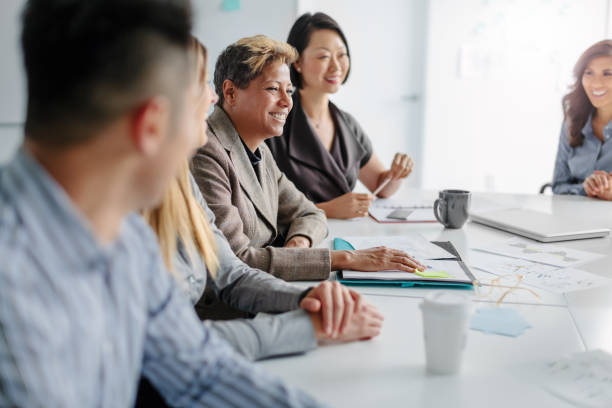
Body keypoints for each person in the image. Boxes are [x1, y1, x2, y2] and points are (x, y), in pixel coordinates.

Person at [0, 1, 323, 406]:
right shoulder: (13, 281)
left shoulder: (129, 241)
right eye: (194, 119)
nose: (200, 139)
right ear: (151, 127)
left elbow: (200, 373)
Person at [135, 36, 382, 407]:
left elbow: (233, 270)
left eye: (288, 91)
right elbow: (176, 345)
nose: (211, 97)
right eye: (201, 86)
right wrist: (311, 318)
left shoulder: (185, 177)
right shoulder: (201, 156)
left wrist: (308, 298)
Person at [191, 35, 425, 281]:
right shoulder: (205, 151)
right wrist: (346, 258)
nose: (286, 102)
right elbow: (236, 260)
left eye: (289, 91)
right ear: (230, 93)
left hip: (267, 286)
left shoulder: (259, 149)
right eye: (273, 89)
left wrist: (298, 246)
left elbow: (310, 213)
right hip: (234, 307)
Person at [265, 12, 414, 219]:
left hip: (346, 239)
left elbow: (380, 185)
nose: (336, 66)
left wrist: (396, 174)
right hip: (298, 243)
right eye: (324, 56)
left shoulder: (347, 124)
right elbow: (259, 207)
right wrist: (328, 210)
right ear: (297, 63)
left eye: (342, 55)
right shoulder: (274, 123)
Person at [553, 39, 612, 200]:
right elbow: (558, 186)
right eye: (589, 73)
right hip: (572, 219)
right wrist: (586, 188)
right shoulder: (573, 121)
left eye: (608, 74)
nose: (596, 83)